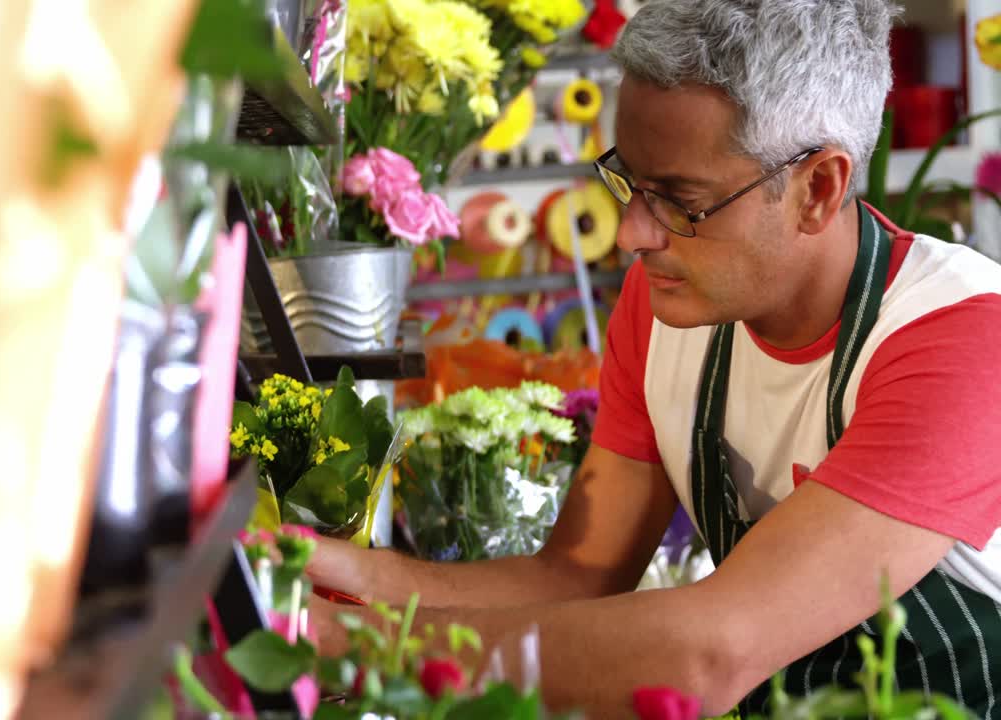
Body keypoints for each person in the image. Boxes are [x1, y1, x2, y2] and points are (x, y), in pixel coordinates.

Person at [306, 1, 1001, 717]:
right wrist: (335, 570)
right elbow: (574, 576)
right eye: (628, 182)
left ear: (818, 188)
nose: (632, 233)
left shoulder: (961, 338)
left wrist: (345, 643)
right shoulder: (666, 304)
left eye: (678, 200)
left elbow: (707, 652)